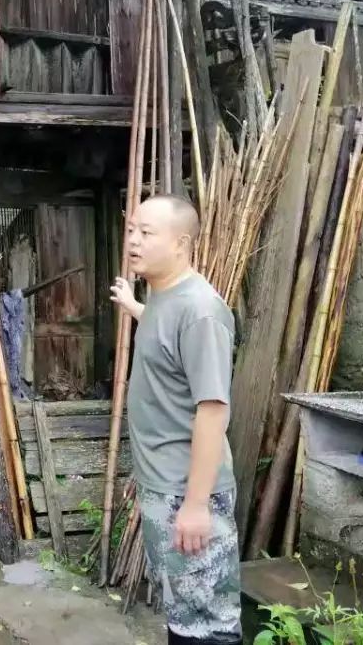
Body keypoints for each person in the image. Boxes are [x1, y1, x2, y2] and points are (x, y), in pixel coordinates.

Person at [109, 195, 242, 645]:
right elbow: (165, 337)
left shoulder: (200, 310)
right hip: (163, 485)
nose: (132, 241)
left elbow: (213, 409)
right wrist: (133, 306)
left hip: (188, 494)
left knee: (208, 623)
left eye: (146, 233)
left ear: (181, 244)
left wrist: (197, 504)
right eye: (131, 230)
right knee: (183, 612)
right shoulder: (164, 298)